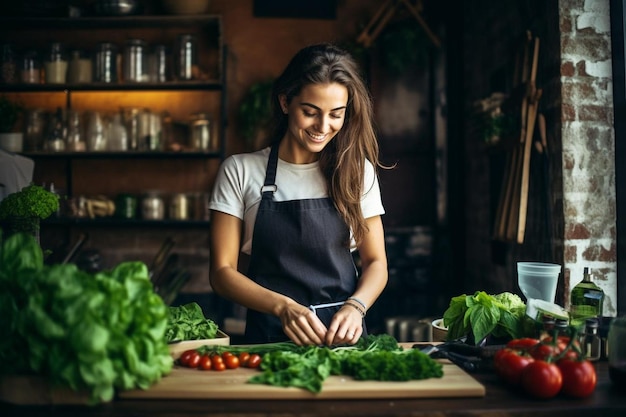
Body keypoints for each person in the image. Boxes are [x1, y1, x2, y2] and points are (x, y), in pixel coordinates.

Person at [209, 43, 388, 346]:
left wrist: (356, 307)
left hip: (342, 339)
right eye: (310, 112)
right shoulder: (240, 171)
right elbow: (222, 272)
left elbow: (376, 263)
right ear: (285, 102)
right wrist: (283, 307)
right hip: (268, 339)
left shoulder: (357, 171)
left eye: (336, 114)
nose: (323, 126)